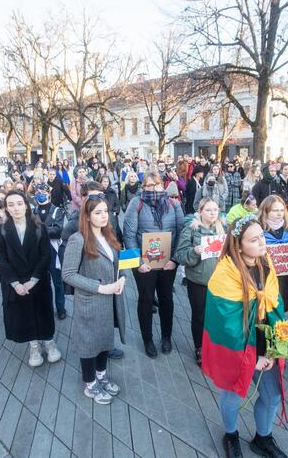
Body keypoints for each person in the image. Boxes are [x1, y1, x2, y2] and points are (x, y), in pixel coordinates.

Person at [201, 215, 288, 458]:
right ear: (239, 245)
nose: (262, 242)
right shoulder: (225, 273)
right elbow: (227, 324)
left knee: (272, 395)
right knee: (233, 394)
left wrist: (274, 347)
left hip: (265, 340)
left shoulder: (267, 263)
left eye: (262, 236)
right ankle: (230, 435)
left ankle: (263, 437)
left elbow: (275, 303)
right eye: (254, 239)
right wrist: (252, 357)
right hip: (240, 345)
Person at [62, 195, 126, 405]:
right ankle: (90, 383)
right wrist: (100, 287)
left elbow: (116, 264)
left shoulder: (109, 236)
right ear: (87, 217)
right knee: (89, 344)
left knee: (104, 340)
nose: (103, 216)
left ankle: (101, 375)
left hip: (109, 299)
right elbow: (68, 274)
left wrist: (121, 279)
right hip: (91, 299)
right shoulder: (78, 239)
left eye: (105, 211)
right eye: (97, 212)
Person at [0, 190, 61, 367]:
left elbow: (46, 255)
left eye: (19, 203)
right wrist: (15, 283)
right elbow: (1, 260)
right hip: (16, 281)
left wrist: (34, 279)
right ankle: (33, 345)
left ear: (26, 205)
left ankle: (48, 341)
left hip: (38, 279)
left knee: (43, 311)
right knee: (24, 313)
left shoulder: (39, 228)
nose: (16, 208)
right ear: (6, 208)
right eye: (11, 205)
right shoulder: (1, 231)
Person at [123, 172, 185, 358]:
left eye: (156, 185)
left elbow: (182, 232)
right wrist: (139, 263)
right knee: (146, 299)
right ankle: (147, 339)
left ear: (162, 185)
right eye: (148, 185)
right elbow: (129, 234)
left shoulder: (174, 204)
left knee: (166, 298)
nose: (153, 188)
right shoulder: (136, 203)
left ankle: (166, 336)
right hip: (144, 264)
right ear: (144, 187)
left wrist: (175, 260)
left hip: (167, 264)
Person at [175, 198, 225, 366]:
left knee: (217, 316)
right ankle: (200, 348)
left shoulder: (223, 229)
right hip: (198, 281)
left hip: (220, 283)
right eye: (208, 210)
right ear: (200, 211)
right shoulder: (191, 229)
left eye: (215, 210)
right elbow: (180, 255)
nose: (212, 213)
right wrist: (194, 251)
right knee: (199, 316)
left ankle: (215, 347)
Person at [259, 195, 288, 313]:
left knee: (283, 310)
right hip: (265, 279)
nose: (279, 213)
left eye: (282, 210)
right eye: (275, 210)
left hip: (286, 280)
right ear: (265, 211)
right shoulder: (258, 229)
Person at [32, 186, 67, 319]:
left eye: (43, 192)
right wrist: (47, 230)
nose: (41, 194)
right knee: (42, 283)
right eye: (38, 192)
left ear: (49, 194)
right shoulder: (32, 211)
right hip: (37, 252)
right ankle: (46, 308)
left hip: (53, 251)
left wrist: (39, 232)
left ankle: (60, 308)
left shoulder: (57, 210)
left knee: (57, 282)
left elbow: (58, 231)